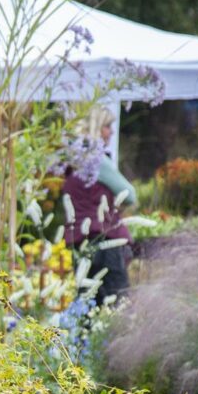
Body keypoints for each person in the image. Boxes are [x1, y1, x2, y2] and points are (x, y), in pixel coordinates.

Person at [61, 107, 138, 306]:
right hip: (105, 244)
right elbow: (129, 194)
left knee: (87, 306)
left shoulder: (73, 160)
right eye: (106, 126)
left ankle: (81, 338)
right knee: (119, 306)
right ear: (94, 128)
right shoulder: (97, 161)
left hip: (81, 244)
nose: (111, 132)